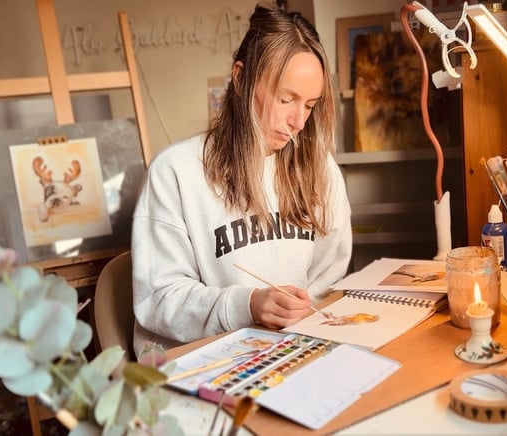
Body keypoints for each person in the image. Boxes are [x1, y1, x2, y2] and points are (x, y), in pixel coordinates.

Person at [131, 0, 352, 353]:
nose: (298, 121)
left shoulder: (320, 169)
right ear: (240, 78)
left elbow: (329, 276)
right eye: (285, 99)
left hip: (292, 351)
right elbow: (157, 298)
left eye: (310, 105)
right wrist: (246, 306)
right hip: (201, 362)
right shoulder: (175, 172)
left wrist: (300, 319)